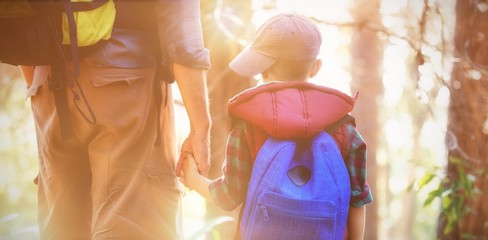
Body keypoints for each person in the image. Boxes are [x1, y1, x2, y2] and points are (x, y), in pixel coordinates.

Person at [20, 1, 211, 239]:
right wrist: (200, 129)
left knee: (62, 226)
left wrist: (37, 86)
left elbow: (19, 17)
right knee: (131, 226)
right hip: (126, 89)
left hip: (49, 88)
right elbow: (183, 33)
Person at [180, 12, 373, 240]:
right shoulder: (347, 132)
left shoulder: (248, 128)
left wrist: (193, 179)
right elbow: (357, 200)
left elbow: (228, 196)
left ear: (262, 70)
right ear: (315, 67)